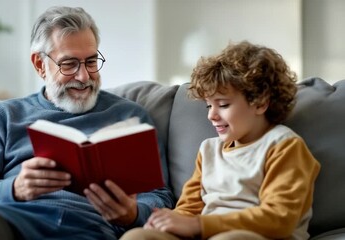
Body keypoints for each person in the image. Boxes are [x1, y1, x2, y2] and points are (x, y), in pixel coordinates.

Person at [0, 6, 174, 240]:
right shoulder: (5, 116)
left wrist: (133, 213)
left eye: (90, 61)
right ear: (40, 65)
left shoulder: (130, 117)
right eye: (69, 64)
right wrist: (14, 189)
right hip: (14, 221)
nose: (83, 76)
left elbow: (159, 196)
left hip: (90, 228)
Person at [120, 41, 321, 240]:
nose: (211, 116)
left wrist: (199, 225)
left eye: (223, 105)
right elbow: (189, 208)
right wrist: (166, 223)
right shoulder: (209, 150)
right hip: (205, 234)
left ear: (260, 103)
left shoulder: (283, 146)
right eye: (209, 106)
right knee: (137, 236)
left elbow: (279, 218)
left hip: (257, 236)